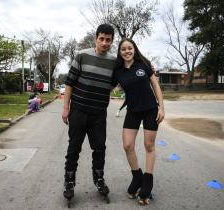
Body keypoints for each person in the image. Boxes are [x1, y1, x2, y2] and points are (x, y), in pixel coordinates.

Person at [61, 24, 116, 203]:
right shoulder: (82, 55)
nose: (104, 43)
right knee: (74, 148)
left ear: (112, 41)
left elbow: (113, 83)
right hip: (78, 111)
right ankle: (69, 182)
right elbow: (69, 83)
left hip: (99, 114)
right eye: (101, 39)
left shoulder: (114, 62)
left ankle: (99, 179)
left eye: (108, 40)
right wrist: (66, 108)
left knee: (99, 148)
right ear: (96, 38)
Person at [112, 38, 165, 205]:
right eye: (123, 49)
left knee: (149, 146)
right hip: (133, 111)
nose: (127, 51)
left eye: (130, 48)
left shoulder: (143, 64)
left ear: (134, 49)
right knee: (127, 145)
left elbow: (155, 86)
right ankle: (137, 177)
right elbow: (107, 88)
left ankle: (147, 182)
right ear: (120, 53)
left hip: (150, 110)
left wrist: (161, 108)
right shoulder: (118, 71)